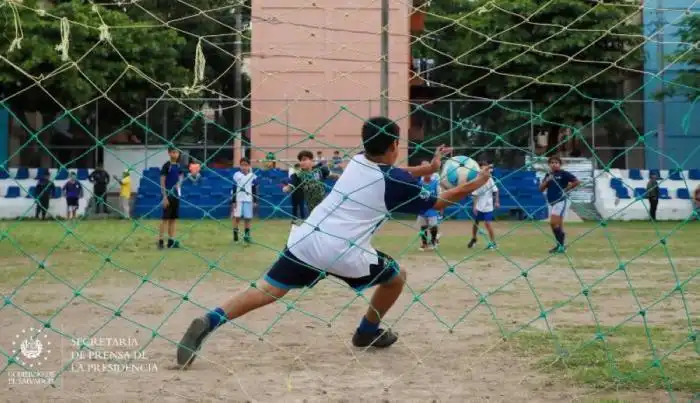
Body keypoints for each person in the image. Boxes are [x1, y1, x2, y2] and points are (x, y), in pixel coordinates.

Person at [175, 116, 492, 369]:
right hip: (344, 252)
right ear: (395, 144)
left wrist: (430, 168)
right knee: (396, 277)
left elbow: (397, 173)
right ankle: (367, 332)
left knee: (268, 288)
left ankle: (211, 319)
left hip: (306, 238)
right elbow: (439, 200)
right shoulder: (395, 181)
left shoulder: (358, 161)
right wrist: (476, 183)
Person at [539, 156, 580, 254]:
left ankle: (561, 245)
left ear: (560, 164)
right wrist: (547, 181)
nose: (554, 164)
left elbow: (577, 181)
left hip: (561, 201)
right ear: (549, 164)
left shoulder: (563, 174)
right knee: (557, 225)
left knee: (553, 223)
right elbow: (541, 189)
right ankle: (560, 246)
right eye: (552, 162)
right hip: (551, 202)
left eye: (556, 162)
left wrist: (567, 189)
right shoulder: (548, 174)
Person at [283, 150, 339, 216]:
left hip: (324, 203)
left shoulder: (320, 169)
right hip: (312, 207)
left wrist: (338, 176)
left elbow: (332, 176)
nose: (302, 162)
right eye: (300, 160)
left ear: (311, 160)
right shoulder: (298, 175)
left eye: (304, 160)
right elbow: (290, 186)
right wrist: (286, 188)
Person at [468, 161, 499, 249]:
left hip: (488, 206)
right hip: (478, 205)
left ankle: (493, 243)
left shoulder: (490, 179)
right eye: (483, 168)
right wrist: (474, 207)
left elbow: (496, 190)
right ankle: (474, 238)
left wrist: (496, 201)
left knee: (488, 224)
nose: (486, 170)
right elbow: (475, 195)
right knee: (475, 223)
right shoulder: (477, 179)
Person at [159, 147, 184, 249]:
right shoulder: (166, 166)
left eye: (176, 152)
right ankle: (160, 241)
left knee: (173, 219)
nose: (175, 154)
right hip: (167, 196)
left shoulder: (179, 166)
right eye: (173, 152)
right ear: (169, 153)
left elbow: (181, 177)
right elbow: (162, 181)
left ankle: (171, 241)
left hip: (176, 196)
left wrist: (180, 182)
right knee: (165, 219)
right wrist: (164, 197)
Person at [231, 158, 258, 243]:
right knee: (237, 218)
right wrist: (233, 201)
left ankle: (247, 237)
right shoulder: (236, 175)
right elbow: (234, 188)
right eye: (242, 165)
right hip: (238, 199)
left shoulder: (252, 176)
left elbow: (254, 189)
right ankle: (235, 237)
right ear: (240, 166)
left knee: (247, 218)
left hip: (248, 200)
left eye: (246, 165)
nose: (244, 167)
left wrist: (255, 201)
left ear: (249, 166)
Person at [416, 161, 440, 251]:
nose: (428, 174)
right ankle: (424, 243)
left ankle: (434, 241)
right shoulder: (419, 183)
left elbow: (438, 194)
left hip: (432, 207)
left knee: (433, 226)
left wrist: (440, 207)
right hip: (422, 208)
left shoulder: (435, 182)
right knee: (423, 227)